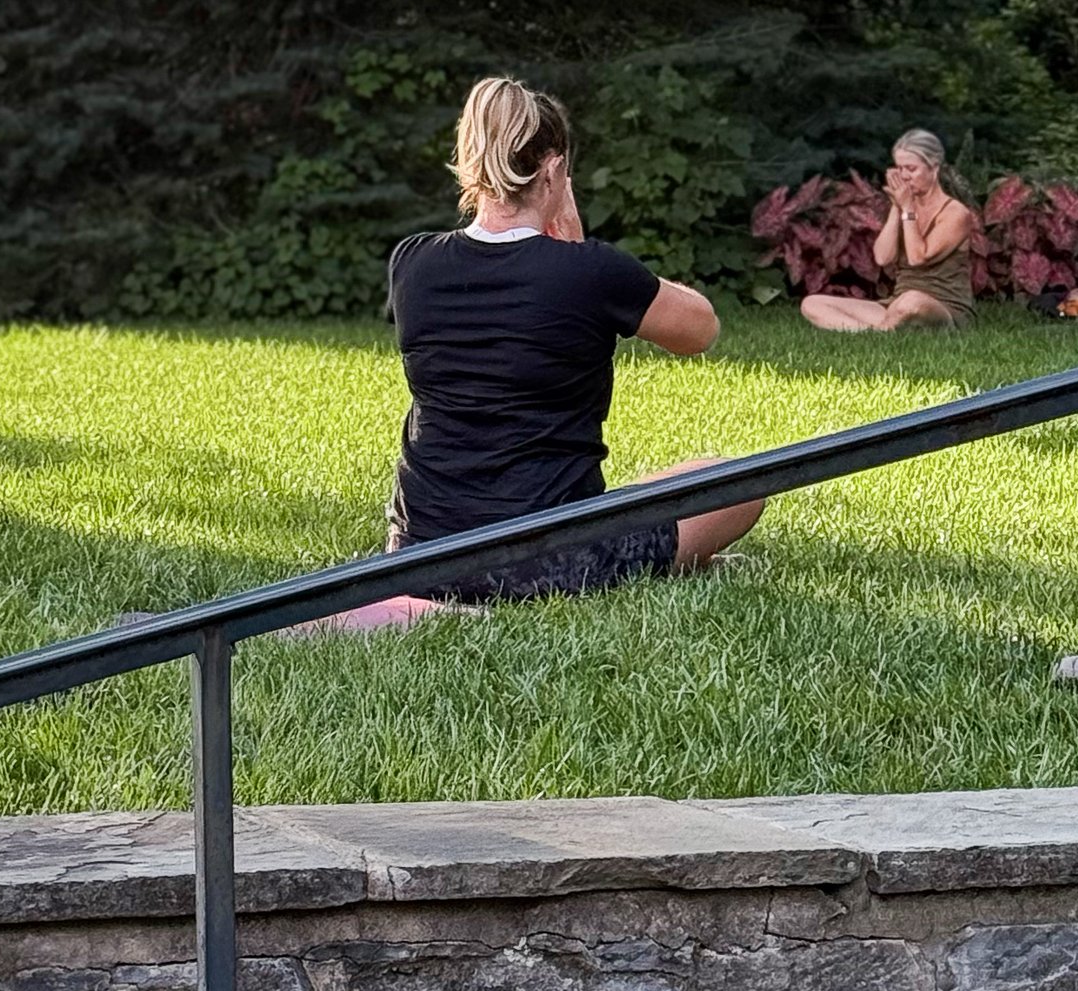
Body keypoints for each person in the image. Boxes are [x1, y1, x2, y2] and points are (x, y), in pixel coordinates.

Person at [319, 77, 765, 632]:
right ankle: (652, 561)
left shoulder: (412, 263)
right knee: (737, 480)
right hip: (552, 559)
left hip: (420, 551)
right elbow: (701, 330)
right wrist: (578, 251)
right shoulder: (589, 271)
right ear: (553, 171)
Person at [800, 131, 979, 332]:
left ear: (934, 169)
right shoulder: (905, 206)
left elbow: (918, 258)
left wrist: (908, 209)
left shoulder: (956, 213)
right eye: (899, 169)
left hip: (943, 309)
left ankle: (881, 330)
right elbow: (883, 258)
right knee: (812, 303)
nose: (903, 176)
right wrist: (897, 207)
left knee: (911, 301)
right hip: (896, 305)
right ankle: (878, 332)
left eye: (911, 169)